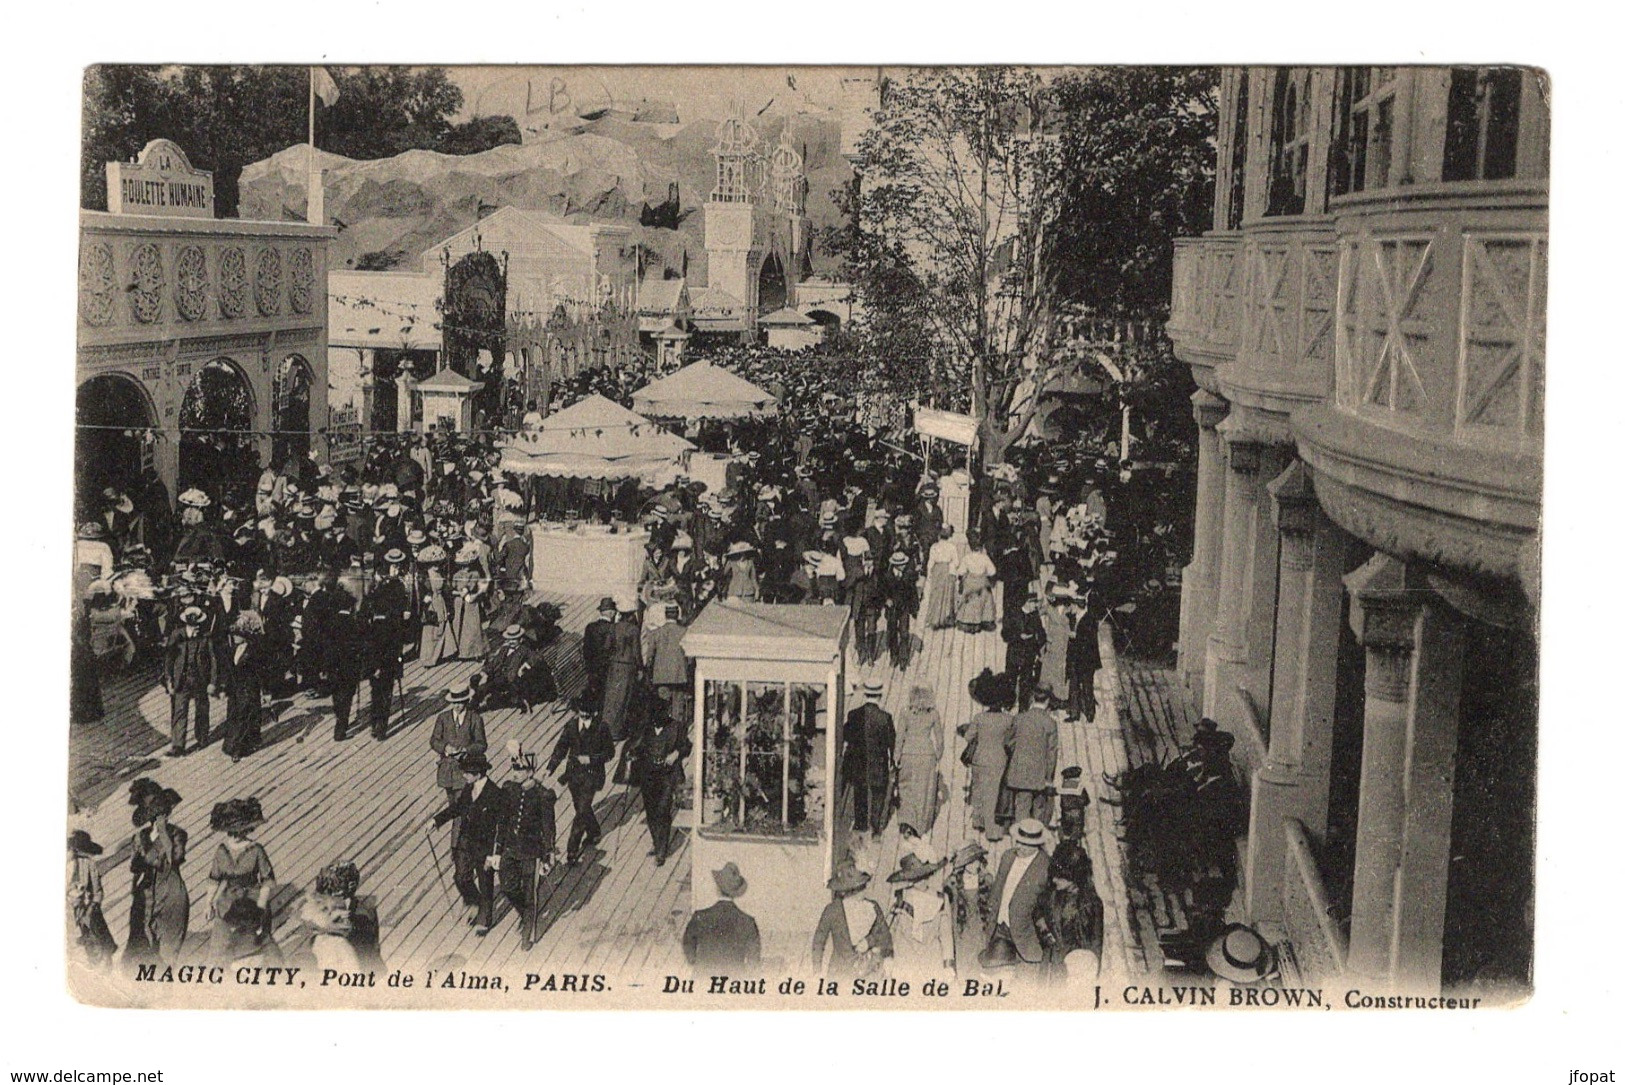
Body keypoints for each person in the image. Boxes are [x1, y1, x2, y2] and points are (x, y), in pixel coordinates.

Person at [427, 751, 510, 935]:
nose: (463, 776)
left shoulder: (495, 794)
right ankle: (474, 901)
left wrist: (496, 852)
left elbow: (501, 825)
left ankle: (485, 919)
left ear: (478, 773)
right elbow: (457, 808)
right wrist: (437, 820)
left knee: (485, 882)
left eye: (466, 773)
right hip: (465, 842)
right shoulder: (468, 788)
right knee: (461, 877)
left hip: (484, 846)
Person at [496, 742, 558, 950]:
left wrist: (549, 853)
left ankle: (528, 934)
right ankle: (525, 914)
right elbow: (502, 820)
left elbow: (548, 827)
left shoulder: (543, 795)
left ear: (531, 772)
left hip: (532, 851)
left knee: (530, 893)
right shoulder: (508, 789)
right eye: (514, 768)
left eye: (520, 769)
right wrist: (497, 849)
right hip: (510, 848)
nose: (515, 773)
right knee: (508, 886)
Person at [125, 780, 189, 964]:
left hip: (171, 895)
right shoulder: (139, 837)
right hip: (144, 897)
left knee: (169, 954)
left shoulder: (178, 834)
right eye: (160, 813)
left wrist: (163, 834)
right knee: (139, 950)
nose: (165, 816)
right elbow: (134, 867)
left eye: (165, 811)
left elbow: (174, 860)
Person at [547, 702, 616, 865]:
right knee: (580, 807)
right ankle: (594, 831)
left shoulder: (601, 728)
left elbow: (610, 752)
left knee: (581, 813)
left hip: (592, 775)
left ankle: (572, 851)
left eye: (588, 714)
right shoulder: (571, 725)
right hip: (573, 774)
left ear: (595, 713)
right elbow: (561, 748)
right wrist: (550, 768)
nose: (584, 716)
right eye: (582, 712)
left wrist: (591, 759)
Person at [982, 818, 1051, 972]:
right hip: (999, 929)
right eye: (1018, 841)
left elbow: (1047, 908)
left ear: (1036, 845)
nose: (1018, 846)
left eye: (1024, 844)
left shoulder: (1046, 867)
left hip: (1026, 938)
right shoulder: (1008, 856)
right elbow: (997, 889)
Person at [207, 798, 275, 943]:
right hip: (227, 902)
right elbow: (214, 879)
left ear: (246, 830)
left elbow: (268, 880)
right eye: (231, 832)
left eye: (239, 832)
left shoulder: (256, 850)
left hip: (253, 900)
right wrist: (209, 903)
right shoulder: (221, 851)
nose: (234, 836)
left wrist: (261, 907)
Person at [1034, 838, 1105, 979]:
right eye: (1054, 875)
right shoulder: (1054, 893)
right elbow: (1038, 909)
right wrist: (1043, 927)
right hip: (1051, 964)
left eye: (1060, 877)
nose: (1054, 880)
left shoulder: (1091, 904)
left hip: (1074, 970)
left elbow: (1095, 945)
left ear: (1074, 877)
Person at [361, 550, 413, 740]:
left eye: (398, 566)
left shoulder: (390, 587)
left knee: (381, 688)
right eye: (394, 565)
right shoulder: (388, 588)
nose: (397, 569)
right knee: (380, 688)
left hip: (387, 643)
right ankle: (378, 724)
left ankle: (379, 725)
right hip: (383, 642)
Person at [961, 669, 1016, 842]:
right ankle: (991, 830)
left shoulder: (979, 718)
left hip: (979, 759)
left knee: (977, 789)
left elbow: (968, 736)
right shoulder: (1008, 720)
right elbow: (1011, 741)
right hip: (998, 760)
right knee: (993, 793)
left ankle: (978, 820)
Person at [811, 863, 892, 979]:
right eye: (859, 888)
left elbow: (885, 935)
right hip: (840, 972)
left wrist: (869, 941)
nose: (863, 891)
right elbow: (819, 941)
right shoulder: (833, 910)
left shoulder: (872, 907)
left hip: (870, 971)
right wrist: (817, 971)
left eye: (863, 886)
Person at [634, 703, 691, 866]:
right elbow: (636, 746)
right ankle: (657, 842)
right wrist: (633, 755)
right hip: (648, 774)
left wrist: (676, 754)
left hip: (667, 775)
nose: (657, 721)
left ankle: (661, 850)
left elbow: (687, 746)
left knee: (663, 810)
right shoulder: (645, 728)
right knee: (651, 812)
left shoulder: (676, 727)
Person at [886, 843, 953, 979]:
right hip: (904, 962)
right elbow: (890, 930)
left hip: (931, 962)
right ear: (909, 879)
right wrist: (888, 958)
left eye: (924, 876)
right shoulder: (901, 897)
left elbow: (946, 936)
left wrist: (948, 965)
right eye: (916, 878)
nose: (921, 881)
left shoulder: (941, 899)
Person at [682, 863, 762, 973]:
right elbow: (754, 961)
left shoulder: (700, 916)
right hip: (735, 982)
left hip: (703, 979)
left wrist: (697, 962)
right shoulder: (748, 921)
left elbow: (688, 945)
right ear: (736, 893)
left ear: (717, 888)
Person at [842, 680, 896, 837]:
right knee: (879, 794)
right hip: (878, 763)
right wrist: (892, 760)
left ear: (865, 694)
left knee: (860, 792)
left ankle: (860, 823)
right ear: (880, 695)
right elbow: (892, 742)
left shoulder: (853, 715)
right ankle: (876, 828)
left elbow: (846, 735)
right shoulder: (885, 718)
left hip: (858, 762)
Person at [163, 605, 217, 756]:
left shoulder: (206, 637)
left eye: (198, 626)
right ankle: (178, 746)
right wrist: (169, 679)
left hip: (200, 679)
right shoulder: (176, 636)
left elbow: (213, 661)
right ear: (186, 625)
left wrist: (213, 682)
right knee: (179, 711)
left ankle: (202, 738)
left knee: (202, 709)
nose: (196, 629)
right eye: (193, 626)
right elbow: (169, 660)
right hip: (182, 679)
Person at [894, 686, 944, 837]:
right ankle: (920, 826)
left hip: (908, 752)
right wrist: (937, 756)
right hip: (927, 754)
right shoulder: (934, 714)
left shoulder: (905, 712)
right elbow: (940, 740)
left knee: (906, 788)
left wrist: (897, 755)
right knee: (923, 792)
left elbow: (900, 737)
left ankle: (907, 822)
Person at [1006, 685, 1060, 823]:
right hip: (1040, 775)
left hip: (1021, 771)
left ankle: (1021, 840)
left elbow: (1009, 743)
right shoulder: (1050, 723)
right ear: (1047, 700)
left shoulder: (1020, 719)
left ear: (1032, 698)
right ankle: (1036, 838)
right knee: (1039, 810)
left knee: (1022, 808)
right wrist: (1049, 778)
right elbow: (1051, 753)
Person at [430, 680, 487, 808]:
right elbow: (434, 740)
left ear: (466, 701)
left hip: (465, 771)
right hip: (447, 771)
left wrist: (466, 749)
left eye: (460, 703)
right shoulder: (443, 718)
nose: (457, 706)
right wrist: (445, 748)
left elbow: (482, 744)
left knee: (461, 807)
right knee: (452, 806)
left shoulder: (475, 719)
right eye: (454, 703)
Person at [67, 830, 117, 969]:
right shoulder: (67, 866)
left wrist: (90, 907)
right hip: (75, 913)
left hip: (90, 910)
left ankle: (105, 965)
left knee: (100, 940)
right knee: (87, 942)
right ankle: (93, 965)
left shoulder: (88, 865)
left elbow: (97, 891)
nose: (71, 853)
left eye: (74, 851)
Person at [220, 612, 266, 761]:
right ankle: (232, 745)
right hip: (235, 689)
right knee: (233, 716)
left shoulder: (253, 651)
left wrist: (265, 692)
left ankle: (238, 750)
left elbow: (260, 672)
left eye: (237, 635)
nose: (234, 637)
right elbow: (229, 671)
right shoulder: (233, 649)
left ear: (244, 636)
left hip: (248, 690)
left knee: (243, 718)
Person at [600, 597, 642, 741]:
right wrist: (641, 668)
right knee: (624, 697)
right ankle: (617, 731)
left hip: (614, 665)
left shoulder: (614, 628)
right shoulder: (633, 630)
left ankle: (606, 728)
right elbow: (637, 652)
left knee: (611, 697)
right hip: (628, 666)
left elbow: (606, 647)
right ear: (630, 614)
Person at [1003, 591, 1046, 710]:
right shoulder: (1013, 615)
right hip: (1014, 653)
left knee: (1026, 682)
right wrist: (1018, 636)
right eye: (1034, 603)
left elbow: (1041, 632)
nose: (1036, 605)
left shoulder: (1035, 616)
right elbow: (1005, 634)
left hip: (1029, 654)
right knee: (1010, 679)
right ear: (1027, 603)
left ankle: (1023, 707)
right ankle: (1008, 704)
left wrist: (1041, 648)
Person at [1065, 586, 1102, 723]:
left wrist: (1076, 636)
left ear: (1077, 606)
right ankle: (1074, 713)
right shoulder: (1074, 617)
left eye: (1072, 605)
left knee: (1087, 686)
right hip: (1075, 658)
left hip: (1087, 660)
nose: (1070, 608)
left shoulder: (1090, 619)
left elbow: (1089, 642)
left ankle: (1090, 713)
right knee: (1073, 685)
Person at [448, 544, 489, 661]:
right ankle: (461, 651)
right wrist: (459, 593)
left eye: (466, 565)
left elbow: (464, 590)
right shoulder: (458, 575)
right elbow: (455, 590)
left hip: (470, 603)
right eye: (462, 566)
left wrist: (459, 593)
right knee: (459, 626)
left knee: (472, 627)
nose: (464, 568)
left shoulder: (473, 575)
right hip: (462, 602)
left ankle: (475, 651)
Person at [954, 530, 998, 633]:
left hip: (970, 582)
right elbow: (992, 571)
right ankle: (985, 620)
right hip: (982, 582)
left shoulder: (967, 558)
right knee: (986, 598)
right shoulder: (985, 558)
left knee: (968, 600)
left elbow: (960, 572)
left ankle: (968, 621)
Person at [415, 545, 452, 667]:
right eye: (433, 563)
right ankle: (427, 657)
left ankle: (435, 657)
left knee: (440, 629)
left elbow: (446, 589)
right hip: (431, 603)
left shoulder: (439, 573)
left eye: (438, 562)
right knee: (429, 630)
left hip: (440, 601)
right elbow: (421, 590)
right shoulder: (425, 575)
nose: (436, 565)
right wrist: (425, 597)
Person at [882, 550, 919, 670]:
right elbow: (882, 591)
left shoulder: (909, 575)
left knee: (904, 633)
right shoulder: (887, 576)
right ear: (895, 565)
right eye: (902, 564)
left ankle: (903, 659)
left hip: (904, 607)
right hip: (892, 609)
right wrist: (886, 599)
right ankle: (894, 656)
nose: (904, 566)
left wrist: (914, 609)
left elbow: (913, 593)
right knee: (892, 632)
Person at [580, 597, 617, 713]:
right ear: (611, 613)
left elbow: (586, 650)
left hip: (592, 669)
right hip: (607, 670)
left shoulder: (590, 627)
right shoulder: (613, 628)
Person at [922, 524, 959, 630]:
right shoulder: (952, 547)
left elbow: (930, 562)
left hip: (937, 570)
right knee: (947, 594)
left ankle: (934, 619)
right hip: (947, 570)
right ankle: (946, 619)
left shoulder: (934, 547)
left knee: (935, 594)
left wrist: (929, 573)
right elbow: (956, 562)